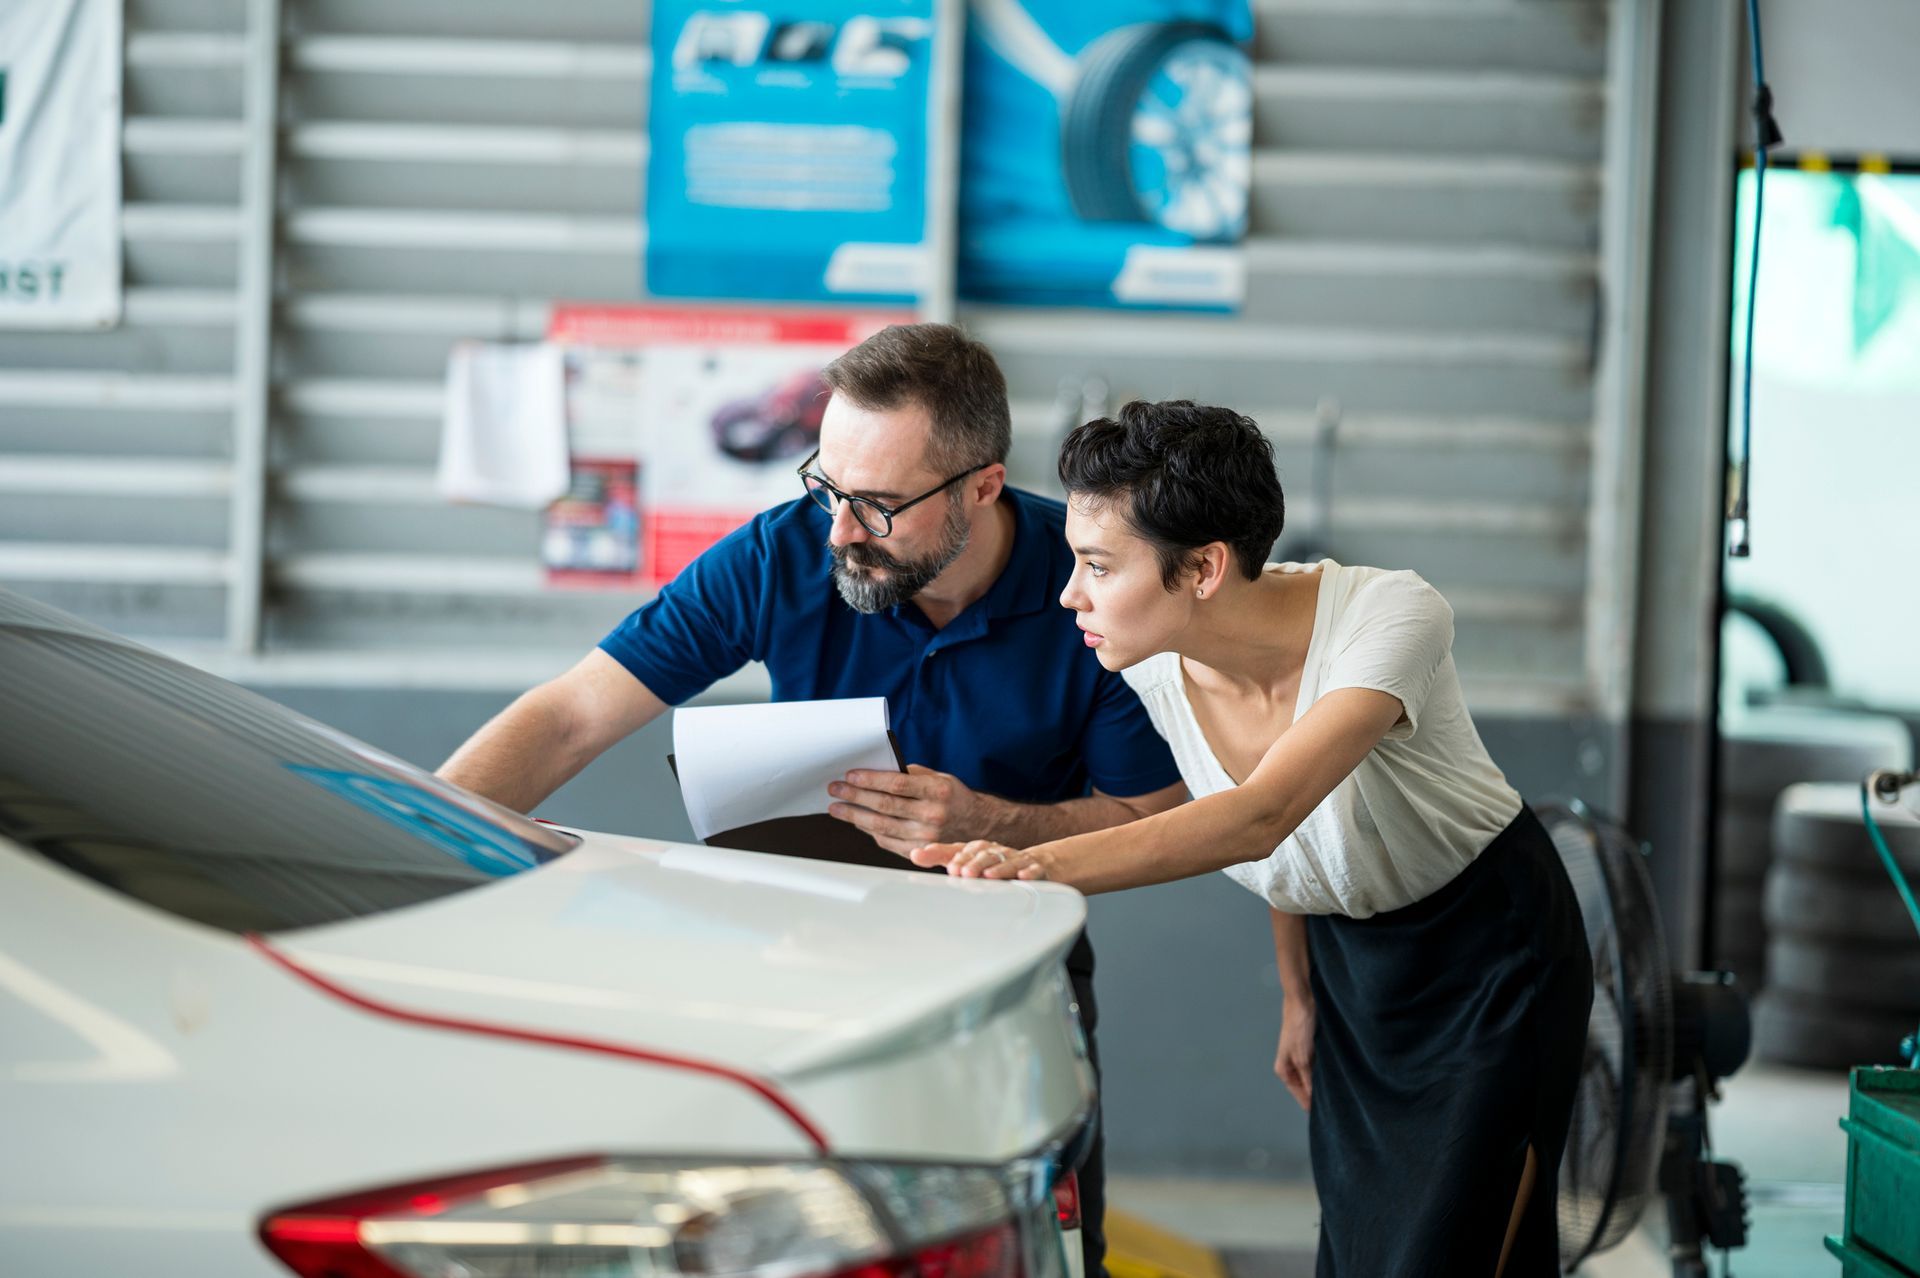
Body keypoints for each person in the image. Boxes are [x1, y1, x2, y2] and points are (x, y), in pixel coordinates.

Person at [437, 323, 1187, 1278]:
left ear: (981, 487)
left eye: (876, 506)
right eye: (825, 486)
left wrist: (997, 825)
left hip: (1004, 985)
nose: (836, 530)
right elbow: (573, 715)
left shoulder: (1088, 589)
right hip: (808, 968)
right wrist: (407, 841)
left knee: (1038, 1250)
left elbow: (1155, 821)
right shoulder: (785, 552)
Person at [912, 401, 1594, 1277]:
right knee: (1359, 1247)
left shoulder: (1388, 618)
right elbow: (1284, 851)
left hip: (1490, 952)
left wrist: (1031, 866)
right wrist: (1299, 993)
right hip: (1352, 967)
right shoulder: (1153, 662)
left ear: (1202, 567)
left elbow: (1263, 811)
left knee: (1447, 1250)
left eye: (1095, 566)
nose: (1067, 594)